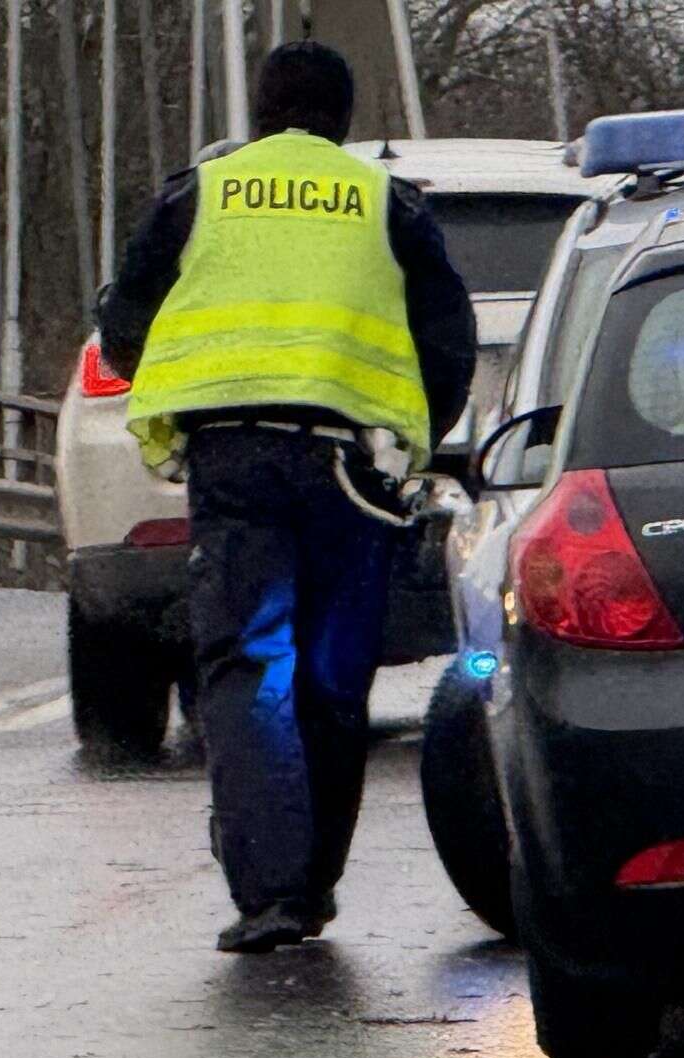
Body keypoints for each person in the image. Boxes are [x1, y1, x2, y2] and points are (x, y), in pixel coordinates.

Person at [99, 41, 475, 953]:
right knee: (332, 675)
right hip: (344, 470)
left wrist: (184, 386)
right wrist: (418, 436)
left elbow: (122, 327)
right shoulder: (387, 203)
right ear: (342, 119)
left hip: (231, 464)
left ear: (260, 114)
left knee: (241, 666)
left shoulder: (200, 195)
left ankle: (270, 895)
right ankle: (313, 885)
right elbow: (447, 339)